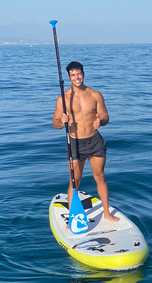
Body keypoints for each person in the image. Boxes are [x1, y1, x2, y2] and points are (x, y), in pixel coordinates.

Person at [53, 61, 119, 223]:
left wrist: (100, 122)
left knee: (100, 176)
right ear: (69, 77)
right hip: (75, 142)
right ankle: (73, 217)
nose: (77, 77)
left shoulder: (95, 95)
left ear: (83, 74)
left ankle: (106, 212)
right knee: (75, 181)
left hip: (94, 140)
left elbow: (105, 116)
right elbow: (55, 124)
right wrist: (62, 121)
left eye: (79, 74)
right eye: (73, 75)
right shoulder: (63, 99)